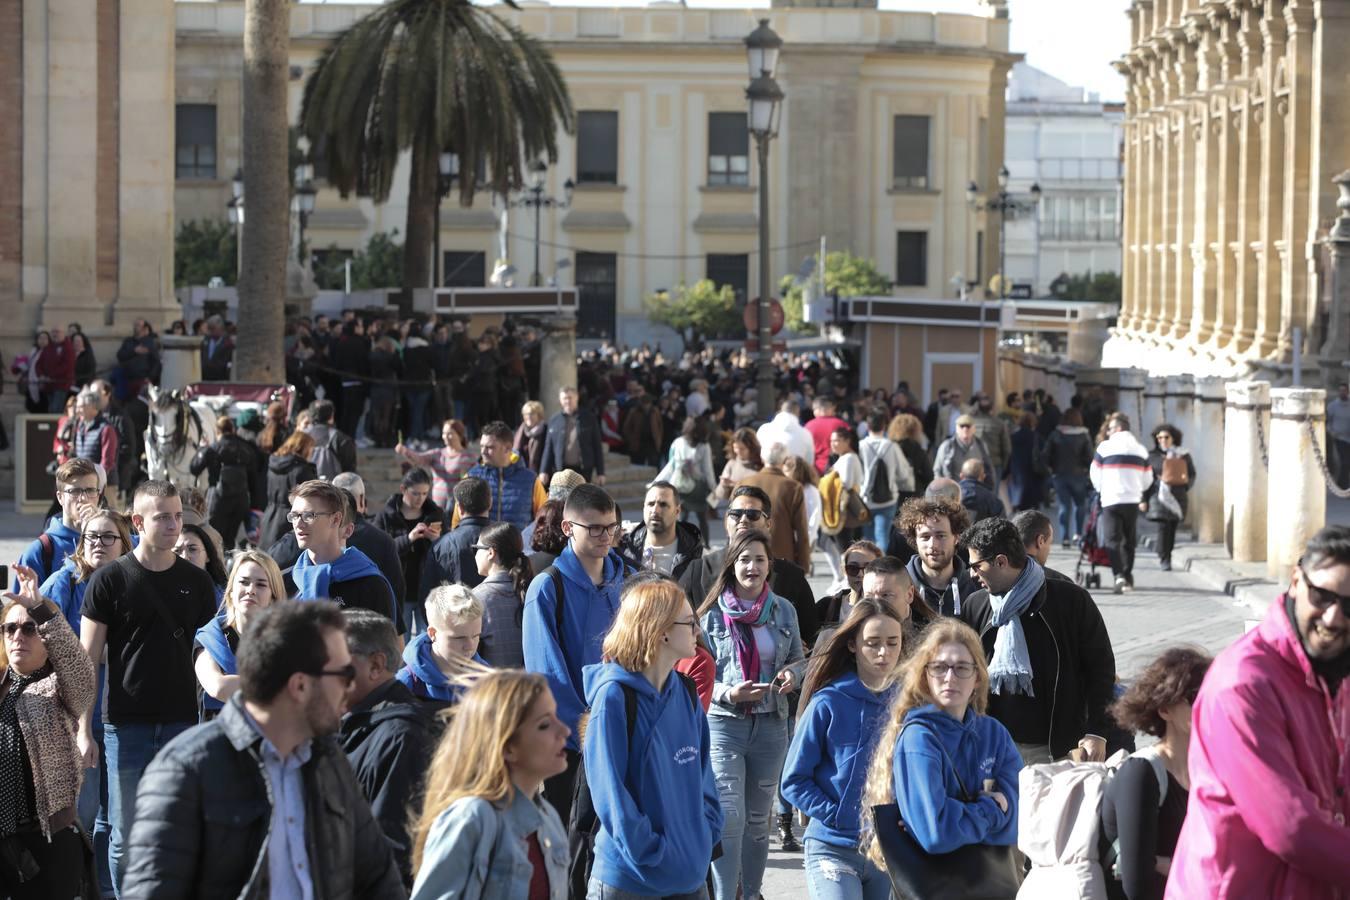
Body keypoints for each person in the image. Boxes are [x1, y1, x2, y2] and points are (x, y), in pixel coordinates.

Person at [119, 601, 406, 899]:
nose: (350, 687)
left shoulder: (330, 762)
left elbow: (379, 879)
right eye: (344, 674)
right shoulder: (185, 771)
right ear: (300, 686)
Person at [1165, 525, 1350, 898]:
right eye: (1321, 596)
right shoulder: (1244, 683)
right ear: (1296, 581)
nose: (1332, 618)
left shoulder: (1335, 671)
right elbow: (1292, 828)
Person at [78, 480, 219, 894]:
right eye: (163, 517)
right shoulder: (107, 581)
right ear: (138, 522)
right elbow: (88, 661)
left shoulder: (197, 583)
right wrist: (83, 730)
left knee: (178, 830)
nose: (175, 525)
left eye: (178, 515)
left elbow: (208, 653)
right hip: (124, 727)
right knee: (124, 834)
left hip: (182, 725)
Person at [581, 577, 723, 899]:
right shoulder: (614, 698)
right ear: (662, 632)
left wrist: (703, 836)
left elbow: (704, 777)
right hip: (629, 881)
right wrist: (653, 851)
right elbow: (611, 796)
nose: (698, 630)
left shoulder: (686, 692)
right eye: (690, 622)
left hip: (689, 877)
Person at [697, 529, 805, 900]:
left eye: (759, 559)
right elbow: (696, 676)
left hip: (772, 725)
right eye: (744, 559)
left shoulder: (784, 610)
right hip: (724, 724)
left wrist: (794, 674)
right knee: (730, 817)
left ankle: (753, 893)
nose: (752, 566)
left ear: (768, 566)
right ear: (732, 566)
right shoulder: (710, 616)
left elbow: (798, 660)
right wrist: (729, 692)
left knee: (759, 823)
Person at [859, 620, 1022, 865]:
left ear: (977, 677)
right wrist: (990, 809)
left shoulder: (994, 734)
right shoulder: (919, 739)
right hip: (933, 883)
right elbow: (936, 834)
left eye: (961, 668)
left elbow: (1022, 820)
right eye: (939, 667)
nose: (950, 678)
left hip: (991, 882)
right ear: (925, 675)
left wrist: (957, 816)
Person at [960, 517, 1116, 764]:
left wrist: (1097, 731)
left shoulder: (1070, 600)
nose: (971, 574)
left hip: (1057, 750)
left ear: (1001, 561)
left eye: (976, 566)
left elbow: (1101, 670)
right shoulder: (976, 606)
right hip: (991, 748)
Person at [783, 599, 906, 900]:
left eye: (893, 643)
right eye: (872, 643)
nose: (883, 652)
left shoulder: (911, 704)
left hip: (886, 850)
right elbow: (793, 781)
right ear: (852, 644)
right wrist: (837, 814)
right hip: (831, 847)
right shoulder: (827, 703)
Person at [409, 670, 570, 900]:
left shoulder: (548, 818)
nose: (564, 731)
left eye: (556, 717)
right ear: (507, 747)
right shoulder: (472, 818)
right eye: (544, 725)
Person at [521, 484, 629, 823]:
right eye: (594, 528)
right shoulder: (547, 587)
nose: (605, 536)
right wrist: (588, 732)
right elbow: (546, 675)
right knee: (570, 849)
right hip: (571, 745)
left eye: (611, 527)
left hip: (624, 733)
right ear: (568, 528)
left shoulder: (629, 580)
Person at [0, 563, 97, 900]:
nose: (17, 636)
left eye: (29, 629)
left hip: (49, 838)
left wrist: (42, 610)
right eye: (9, 628)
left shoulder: (57, 687)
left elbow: (83, 678)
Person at [1101, 647, 1211, 900]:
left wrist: (1166, 864)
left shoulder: (1210, 772)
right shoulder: (1141, 774)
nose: (1206, 702)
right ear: (1164, 710)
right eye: (1194, 696)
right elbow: (1136, 884)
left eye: (1211, 692)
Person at [340, 608, 435, 887]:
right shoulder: (350, 721)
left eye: (336, 662)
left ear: (376, 665)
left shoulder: (402, 738)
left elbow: (392, 853)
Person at [679, 486, 820, 652]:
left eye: (753, 514)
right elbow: (676, 625)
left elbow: (811, 637)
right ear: (726, 521)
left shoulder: (790, 577)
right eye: (735, 514)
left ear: (768, 524)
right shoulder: (698, 571)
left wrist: (797, 651)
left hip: (775, 676)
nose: (743, 519)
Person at [193, 551, 286, 718]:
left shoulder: (286, 639)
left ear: (273, 596)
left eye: (261, 585)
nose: (250, 590)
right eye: (243, 582)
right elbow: (218, 687)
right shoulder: (210, 635)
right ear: (230, 590)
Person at [289, 479, 397, 621]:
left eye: (308, 515)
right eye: (294, 516)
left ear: (335, 519)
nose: (298, 524)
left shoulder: (369, 584)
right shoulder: (289, 579)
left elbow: (386, 641)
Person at [375, 467, 445, 634]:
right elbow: (380, 551)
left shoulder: (436, 515)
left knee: (428, 641)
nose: (420, 498)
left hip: (428, 591)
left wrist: (436, 540)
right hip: (399, 591)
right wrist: (409, 539)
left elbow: (447, 550)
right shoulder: (386, 515)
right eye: (415, 493)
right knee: (401, 644)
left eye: (424, 493)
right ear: (403, 489)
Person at [1090, 413, 1153, 594]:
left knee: (1112, 539)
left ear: (1117, 429)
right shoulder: (1140, 450)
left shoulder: (1104, 447)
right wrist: (1137, 488)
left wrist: (1101, 490)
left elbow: (1095, 473)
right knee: (1129, 539)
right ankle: (1127, 574)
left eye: (1110, 429)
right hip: (1132, 500)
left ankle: (1118, 575)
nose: (1108, 432)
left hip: (1110, 499)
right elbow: (1148, 479)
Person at [897, 497, 986, 623]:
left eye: (941, 536)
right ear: (915, 540)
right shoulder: (900, 585)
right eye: (925, 537)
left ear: (956, 538)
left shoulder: (976, 586)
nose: (933, 544)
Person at [17, 458, 100, 590]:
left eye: (90, 490)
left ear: (98, 495)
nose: (83, 498)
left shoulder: (111, 541)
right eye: (74, 491)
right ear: (60, 497)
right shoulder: (40, 551)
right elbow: (24, 608)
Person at [396, 584, 487, 705]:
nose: (470, 646)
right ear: (433, 633)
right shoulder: (406, 685)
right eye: (459, 637)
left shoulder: (488, 681)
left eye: (476, 636)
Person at [189, 416, 261, 549]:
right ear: (233, 429)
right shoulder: (246, 448)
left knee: (212, 540)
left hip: (217, 501)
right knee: (230, 540)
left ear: (218, 431)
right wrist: (254, 507)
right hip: (241, 502)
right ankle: (228, 564)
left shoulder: (212, 449)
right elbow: (254, 480)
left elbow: (194, 468)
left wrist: (202, 449)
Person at [465, 421, 548, 531]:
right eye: (481, 446)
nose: (483, 452)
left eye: (490, 447)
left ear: (507, 448)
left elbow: (544, 519)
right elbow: (458, 521)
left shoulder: (531, 480)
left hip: (519, 547)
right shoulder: (471, 477)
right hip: (480, 547)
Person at [472, 522, 534, 669]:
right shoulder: (531, 589)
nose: (474, 555)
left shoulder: (477, 598)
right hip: (532, 685)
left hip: (492, 687)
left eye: (477, 549)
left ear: (491, 553)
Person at [423, 476, 493, 599]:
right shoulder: (505, 537)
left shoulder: (441, 545)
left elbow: (428, 596)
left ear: (459, 508)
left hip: (455, 615)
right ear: (490, 503)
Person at [618, 481, 704, 578]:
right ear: (644, 508)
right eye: (651, 504)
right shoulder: (626, 548)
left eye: (663, 505)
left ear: (677, 511)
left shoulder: (693, 553)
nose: (655, 510)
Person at [654, 416, 718, 544]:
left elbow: (671, 465)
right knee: (702, 517)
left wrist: (657, 481)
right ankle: (707, 544)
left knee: (681, 516)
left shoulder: (677, 442)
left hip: (679, 485)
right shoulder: (704, 446)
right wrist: (714, 489)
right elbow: (708, 471)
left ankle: (679, 543)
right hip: (698, 487)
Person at [1140, 423, 1195, 572]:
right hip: (1157, 497)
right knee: (1163, 527)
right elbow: (1145, 478)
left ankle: (1167, 553)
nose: (1162, 440)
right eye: (1159, 437)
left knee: (1172, 528)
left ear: (1173, 438)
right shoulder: (1151, 456)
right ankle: (1164, 558)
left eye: (1166, 437)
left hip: (1178, 497)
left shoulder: (1183, 455)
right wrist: (1143, 499)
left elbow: (1191, 474)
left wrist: (1184, 486)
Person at [859, 409, 914, 548]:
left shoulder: (860, 446)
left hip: (865, 498)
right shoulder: (892, 446)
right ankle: (880, 568)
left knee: (867, 537)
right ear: (884, 426)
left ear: (868, 426)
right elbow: (903, 473)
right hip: (888, 498)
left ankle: (866, 566)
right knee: (882, 535)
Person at [397, 418, 477, 510]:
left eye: (450, 433)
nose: (445, 436)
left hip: (458, 506)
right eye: (444, 433)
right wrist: (405, 451)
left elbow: (474, 482)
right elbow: (419, 459)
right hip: (437, 504)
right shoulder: (437, 453)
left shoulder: (469, 457)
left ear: (459, 435)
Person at [1043, 408, 1094, 547]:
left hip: (1059, 475)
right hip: (1079, 475)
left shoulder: (1056, 434)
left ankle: (1065, 537)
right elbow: (1090, 457)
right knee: (1080, 505)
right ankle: (1077, 534)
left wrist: (1051, 468)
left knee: (1064, 506)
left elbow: (1046, 454)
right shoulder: (1084, 435)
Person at [258, 429, 317, 550]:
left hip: (269, 516)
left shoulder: (273, 464)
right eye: (311, 448)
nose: (312, 453)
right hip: (290, 520)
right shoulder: (301, 470)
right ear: (303, 447)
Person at [814, 539, 884, 640]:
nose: (860, 574)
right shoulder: (826, 606)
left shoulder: (888, 606)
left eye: (868, 568)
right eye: (853, 568)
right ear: (844, 571)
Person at [540, 386, 607, 486]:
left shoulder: (589, 418)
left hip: (583, 470)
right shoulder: (554, 420)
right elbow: (548, 447)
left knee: (581, 500)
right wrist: (543, 470)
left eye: (570, 398)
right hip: (561, 470)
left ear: (577, 398)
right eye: (564, 398)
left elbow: (597, 446)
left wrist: (600, 472)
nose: (567, 401)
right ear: (560, 400)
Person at [73, 388, 121, 491]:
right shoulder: (79, 426)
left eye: (81, 407)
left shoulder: (106, 428)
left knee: (106, 508)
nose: (77, 411)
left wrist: (96, 483)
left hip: (104, 486)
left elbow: (107, 462)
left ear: (92, 407)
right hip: (84, 485)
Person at [934, 414, 994, 488]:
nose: (965, 429)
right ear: (956, 429)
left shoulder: (981, 446)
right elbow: (937, 471)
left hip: (976, 491)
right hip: (953, 492)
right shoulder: (946, 446)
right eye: (962, 426)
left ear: (974, 428)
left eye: (968, 426)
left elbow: (989, 470)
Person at [174, 518, 228, 599]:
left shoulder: (227, 599)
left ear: (208, 556)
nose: (184, 557)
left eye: (192, 549)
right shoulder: (158, 592)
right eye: (177, 551)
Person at [304, 398, 359, 477]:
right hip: (331, 487)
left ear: (309, 416)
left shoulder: (298, 438)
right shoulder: (341, 439)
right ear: (331, 416)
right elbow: (349, 473)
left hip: (304, 487)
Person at [1010, 509, 1070, 580]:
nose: (1049, 551)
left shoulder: (996, 577)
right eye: (1049, 543)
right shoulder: (1061, 582)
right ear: (1040, 541)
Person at [968, 393, 1012, 488]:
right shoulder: (999, 423)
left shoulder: (970, 422)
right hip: (995, 464)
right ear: (992, 407)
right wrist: (1003, 465)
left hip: (974, 464)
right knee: (992, 496)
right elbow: (1007, 449)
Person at [887, 413, 933, 500]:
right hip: (914, 495)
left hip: (893, 494)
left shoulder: (891, 448)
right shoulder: (918, 450)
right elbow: (929, 476)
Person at [1006, 411, 1046, 513]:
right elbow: (1044, 455)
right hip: (1034, 474)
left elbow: (1008, 454)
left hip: (1018, 473)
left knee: (1021, 505)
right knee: (1033, 507)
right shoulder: (1037, 437)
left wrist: (1006, 471)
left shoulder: (1013, 437)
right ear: (1033, 423)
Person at [756, 398, 814, 467]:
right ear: (798, 413)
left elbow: (756, 453)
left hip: (767, 473)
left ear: (781, 410)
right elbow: (809, 462)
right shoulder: (806, 434)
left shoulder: (764, 429)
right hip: (795, 475)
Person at [713, 428, 764, 506]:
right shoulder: (732, 463)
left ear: (752, 448)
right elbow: (720, 495)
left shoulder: (761, 465)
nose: (738, 451)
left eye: (742, 449)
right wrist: (724, 485)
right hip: (735, 510)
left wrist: (737, 485)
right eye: (736, 448)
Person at [805, 397, 850, 475]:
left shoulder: (808, 426)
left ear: (817, 410)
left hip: (816, 470)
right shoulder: (842, 424)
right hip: (839, 468)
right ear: (831, 408)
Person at [527, 499, 568, 574]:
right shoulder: (580, 563)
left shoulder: (526, 565)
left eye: (543, 522)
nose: (538, 528)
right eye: (539, 522)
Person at [958, 458, 1004, 523]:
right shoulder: (994, 501)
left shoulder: (952, 496)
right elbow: (1004, 527)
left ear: (961, 476)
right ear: (983, 476)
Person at [514, 401, 549, 474]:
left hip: (541, 473)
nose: (528, 416)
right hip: (522, 473)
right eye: (526, 414)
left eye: (532, 414)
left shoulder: (546, 430)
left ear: (539, 415)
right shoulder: (520, 431)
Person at [199, 315, 233, 382]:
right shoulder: (206, 340)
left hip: (220, 379)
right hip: (205, 378)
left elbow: (226, 361)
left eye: (213, 328)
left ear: (220, 328)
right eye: (210, 328)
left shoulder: (228, 343)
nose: (211, 331)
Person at [1329, 383, 1350, 489]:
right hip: (1339, 438)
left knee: (1347, 462)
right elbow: (1328, 421)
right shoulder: (1333, 406)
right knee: (1344, 461)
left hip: (1348, 438)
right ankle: (1343, 485)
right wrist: (1331, 432)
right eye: (1341, 390)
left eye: (1344, 390)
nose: (1343, 392)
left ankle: (1342, 483)